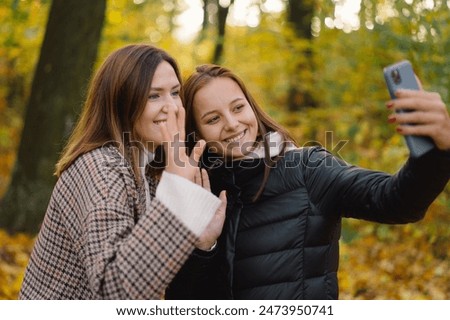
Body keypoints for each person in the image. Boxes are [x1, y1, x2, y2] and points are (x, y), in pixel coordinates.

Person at [165, 64, 450, 299]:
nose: (231, 123)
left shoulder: (308, 168)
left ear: (252, 108)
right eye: (213, 118)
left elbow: (396, 201)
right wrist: (204, 246)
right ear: (198, 133)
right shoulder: (198, 193)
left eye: (238, 108)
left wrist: (438, 148)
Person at [19, 45, 226, 299]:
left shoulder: (148, 168)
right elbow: (115, 290)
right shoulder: (101, 168)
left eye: (175, 93)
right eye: (154, 96)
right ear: (120, 102)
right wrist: (177, 193)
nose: (171, 107)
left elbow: (153, 276)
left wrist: (201, 242)